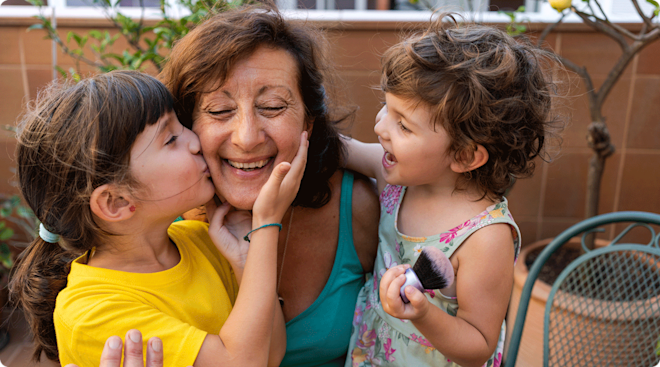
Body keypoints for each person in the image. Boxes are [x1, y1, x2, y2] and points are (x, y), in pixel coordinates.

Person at [9, 70, 308, 367]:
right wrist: (267, 222)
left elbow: (271, 354)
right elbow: (243, 362)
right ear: (116, 202)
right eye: (171, 139)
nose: (194, 141)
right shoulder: (91, 312)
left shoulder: (200, 239)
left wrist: (244, 262)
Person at [159, 5, 380, 366]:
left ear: (309, 120)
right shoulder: (163, 221)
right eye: (218, 111)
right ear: (186, 125)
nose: (247, 138)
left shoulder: (356, 205)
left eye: (273, 106)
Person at [342, 14, 560, 367]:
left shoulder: (485, 238)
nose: (380, 126)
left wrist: (422, 313)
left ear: (464, 155)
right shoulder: (396, 174)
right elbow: (342, 148)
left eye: (403, 125)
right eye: (387, 106)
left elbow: (479, 344)